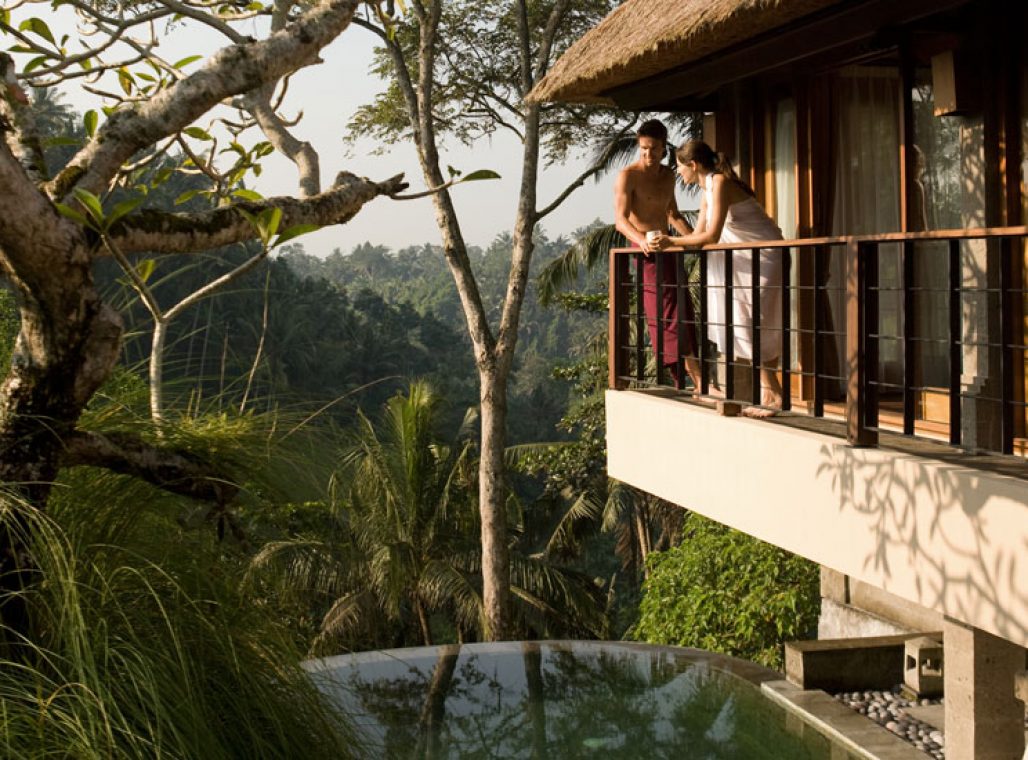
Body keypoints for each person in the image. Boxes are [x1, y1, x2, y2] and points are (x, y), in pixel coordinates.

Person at [654, 140, 785, 417]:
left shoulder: (720, 183)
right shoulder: (707, 190)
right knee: (743, 318)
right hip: (743, 258)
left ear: (693, 165)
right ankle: (768, 392)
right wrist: (670, 240)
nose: (679, 174)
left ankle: (774, 394)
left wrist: (670, 241)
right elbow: (698, 237)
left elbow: (711, 236)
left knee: (752, 321)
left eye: (680, 168)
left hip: (764, 256)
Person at [613, 120, 702, 391]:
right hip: (644, 253)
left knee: (683, 308)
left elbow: (672, 214)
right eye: (642, 149)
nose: (647, 155)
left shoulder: (667, 176)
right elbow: (620, 219)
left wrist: (694, 240)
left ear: (664, 148)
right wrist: (641, 241)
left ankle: (693, 380)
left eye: (653, 149)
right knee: (666, 314)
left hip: (669, 250)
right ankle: (695, 380)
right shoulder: (628, 176)